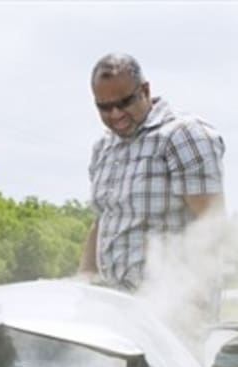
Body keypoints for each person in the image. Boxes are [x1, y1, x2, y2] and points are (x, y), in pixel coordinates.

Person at [79, 53, 225, 303]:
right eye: (104, 107)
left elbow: (212, 223)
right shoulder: (103, 147)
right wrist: (82, 284)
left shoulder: (182, 136)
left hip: (171, 303)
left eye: (124, 103)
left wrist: (195, 297)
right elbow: (102, 220)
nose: (115, 114)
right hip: (114, 303)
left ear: (145, 91)